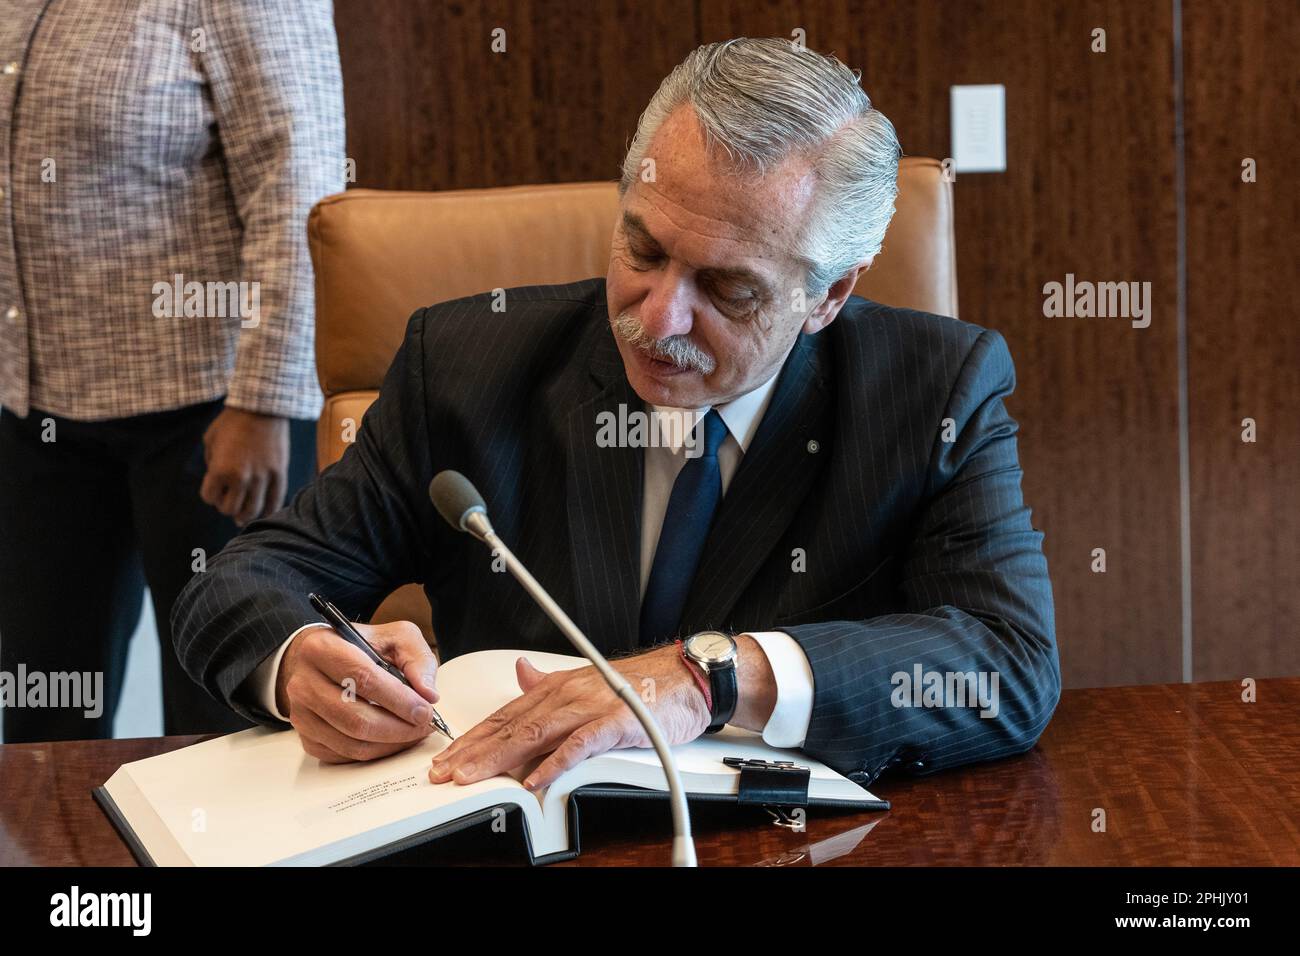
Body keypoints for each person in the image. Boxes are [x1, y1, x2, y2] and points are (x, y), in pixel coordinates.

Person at [172, 38, 1060, 791]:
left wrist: (709, 677)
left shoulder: (935, 389)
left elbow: (1006, 666)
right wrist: (296, 661)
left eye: (728, 287)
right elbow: (243, 582)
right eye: (642, 246)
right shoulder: (469, 366)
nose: (656, 316)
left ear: (828, 295)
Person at [0, 0, 345, 741]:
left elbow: (300, 185)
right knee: (43, 714)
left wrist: (263, 402)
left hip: (212, 416)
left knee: (224, 721)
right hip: (38, 413)